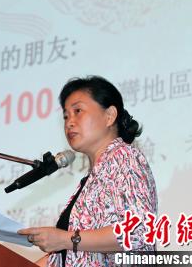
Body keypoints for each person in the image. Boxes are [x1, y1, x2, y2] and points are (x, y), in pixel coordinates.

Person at [18, 76, 157, 267]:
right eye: (66, 116)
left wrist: (66, 239)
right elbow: (68, 258)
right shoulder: (92, 179)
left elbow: (138, 231)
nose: (69, 122)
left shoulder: (125, 156)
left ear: (109, 116)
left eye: (78, 111)